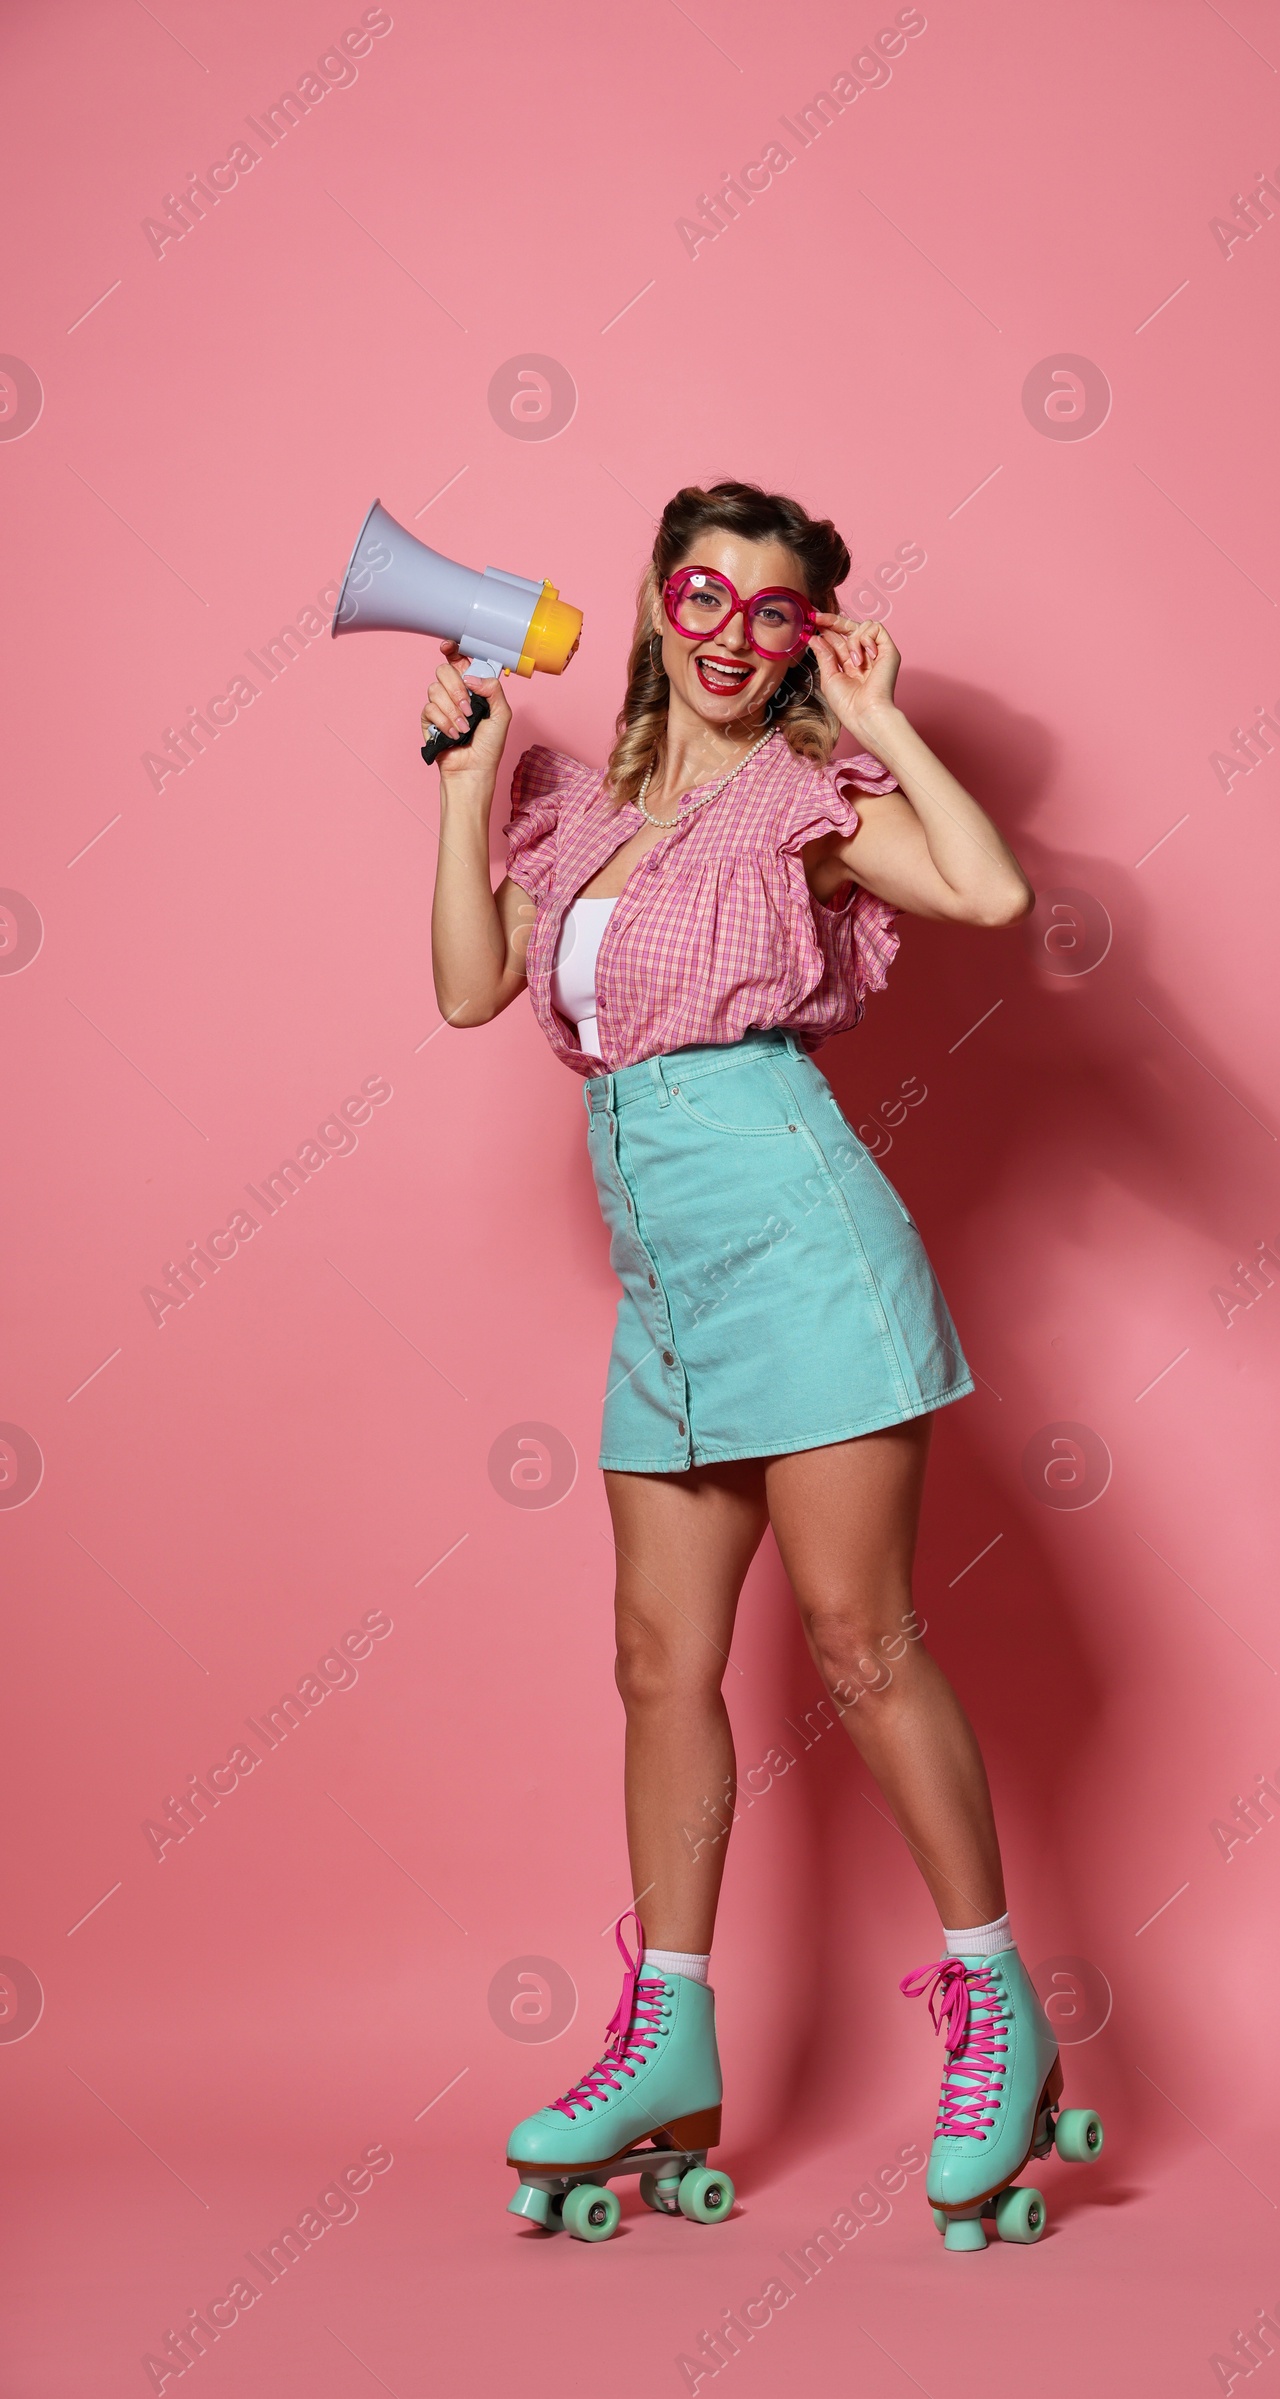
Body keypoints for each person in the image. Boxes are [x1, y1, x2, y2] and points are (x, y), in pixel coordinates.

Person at [425, 480, 1096, 2250]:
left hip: (807, 1257)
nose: (730, 635)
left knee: (862, 1643)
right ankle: (671, 2037)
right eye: (704, 595)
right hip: (667, 1294)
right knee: (659, 1664)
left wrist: (876, 722)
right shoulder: (580, 808)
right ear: (657, 599)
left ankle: (994, 2010)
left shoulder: (808, 799)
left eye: (774, 612)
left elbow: (990, 882)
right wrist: (457, 791)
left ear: (810, 638)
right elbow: (468, 989)